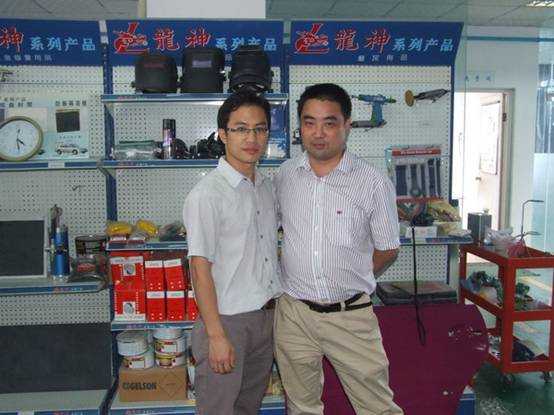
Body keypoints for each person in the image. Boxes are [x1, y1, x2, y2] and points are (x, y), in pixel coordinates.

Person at [274, 83, 403, 415]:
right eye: (309, 122)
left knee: (377, 407)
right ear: (300, 126)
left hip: (351, 317)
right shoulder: (285, 175)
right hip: (294, 316)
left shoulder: (372, 182)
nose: (318, 133)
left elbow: (388, 249)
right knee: (301, 406)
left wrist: (349, 277)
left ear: (347, 125)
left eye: (329, 123)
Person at [183, 91, 282, 415]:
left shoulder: (265, 187)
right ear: (223, 135)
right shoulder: (208, 194)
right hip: (227, 322)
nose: (251, 138)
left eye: (260, 129)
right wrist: (216, 336)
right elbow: (199, 269)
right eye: (240, 129)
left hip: (265, 317)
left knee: (248, 408)